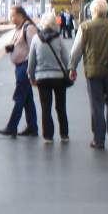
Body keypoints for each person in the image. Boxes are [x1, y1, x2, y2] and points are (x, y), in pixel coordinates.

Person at [69, 0, 108, 148]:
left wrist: (72, 68)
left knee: (96, 104)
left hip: (93, 72)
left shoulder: (85, 27)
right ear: (106, 11)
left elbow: (76, 51)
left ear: (92, 11)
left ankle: (98, 139)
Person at [27, 13, 73, 143]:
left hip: (42, 78)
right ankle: (64, 134)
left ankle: (48, 136)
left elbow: (31, 61)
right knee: (61, 107)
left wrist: (31, 76)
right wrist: (69, 71)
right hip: (59, 77)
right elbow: (66, 59)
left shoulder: (36, 39)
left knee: (46, 108)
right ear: (55, 24)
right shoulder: (58, 38)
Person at [0, 5, 40, 137]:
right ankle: (32, 127)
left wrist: (30, 69)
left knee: (19, 97)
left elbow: (34, 48)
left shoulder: (29, 28)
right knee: (28, 99)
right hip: (20, 66)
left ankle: (12, 126)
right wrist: (12, 49)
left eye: (12, 15)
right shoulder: (20, 28)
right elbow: (21, 45)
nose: (11, 18)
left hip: (25, 67)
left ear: (20, 15)